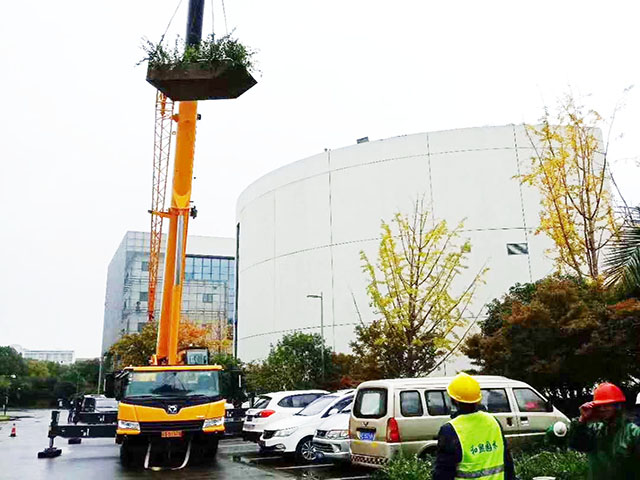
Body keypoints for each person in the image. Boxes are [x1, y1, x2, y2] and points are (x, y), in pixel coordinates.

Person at [433, 373, 515, 480]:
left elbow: (443, 473)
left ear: (455, 400)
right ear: (478, 399)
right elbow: (508, 463)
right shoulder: (493, 422)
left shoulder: (450, 430)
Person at [549, 382, 640, 479]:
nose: (602, 409)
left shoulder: (633, 433)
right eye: (599, 405)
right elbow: (577, 444)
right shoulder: (594, 430)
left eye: (606, 405)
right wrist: (582, 420)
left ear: (617, 406)